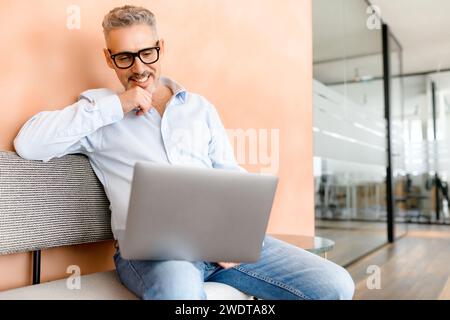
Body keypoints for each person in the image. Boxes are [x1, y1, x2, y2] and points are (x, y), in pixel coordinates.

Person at [14, 5, 354, 300]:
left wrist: (235, 238)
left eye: (147, 52)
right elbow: (29, 143)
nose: (138, 68)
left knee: (335, 284)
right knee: (181, 293)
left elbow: (228, 173)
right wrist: (117, 105)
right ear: (109, 58)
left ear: (161, 47)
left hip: (218, 243)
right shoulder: (97, 112)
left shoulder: (199, 108)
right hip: (153, 254)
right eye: (124, 57)